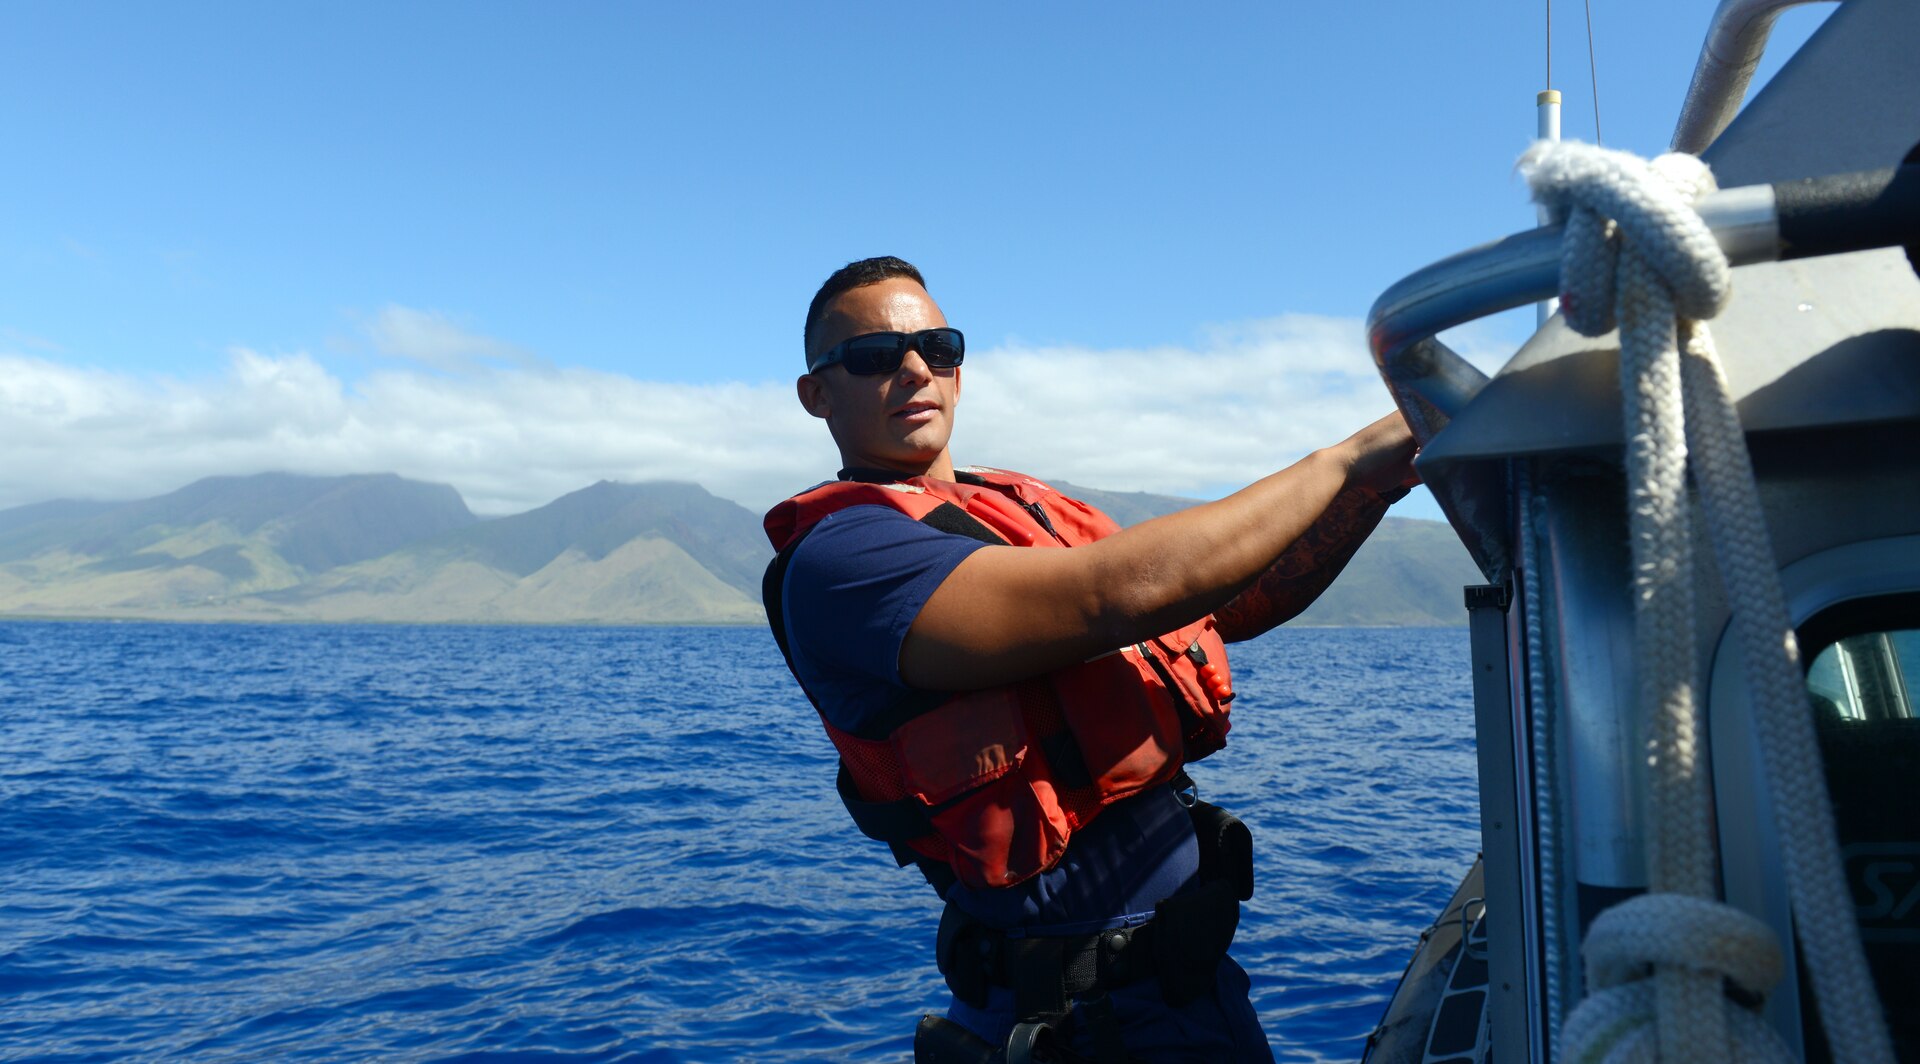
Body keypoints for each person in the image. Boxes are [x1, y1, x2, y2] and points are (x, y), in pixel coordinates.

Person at [761, 257, 1418, 1063]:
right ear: (816, 395)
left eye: (938, 346)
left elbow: (1229, 605)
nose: (912, 369)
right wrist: (1343, 458)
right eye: (871, 355)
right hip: (1077, 1027)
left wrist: (1377, 484)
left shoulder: (1017, 507)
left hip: (1193, 992)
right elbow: (1111, 596)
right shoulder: (843, 559)